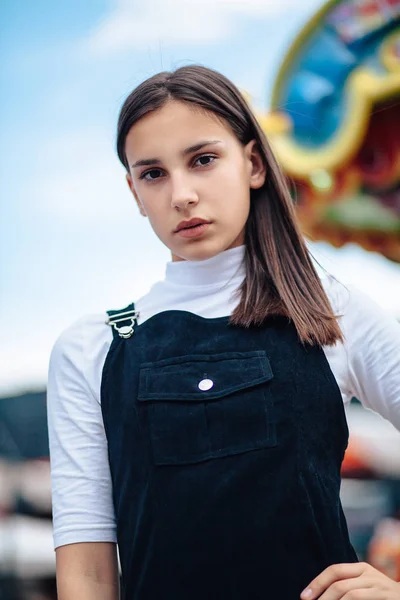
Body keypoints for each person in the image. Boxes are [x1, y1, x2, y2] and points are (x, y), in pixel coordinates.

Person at [47, 65, 400, 599]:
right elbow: (88, 569)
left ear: (253, 164)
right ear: (133, 192)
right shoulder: (90, 347)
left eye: (203, 160)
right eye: (153, 173)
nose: (182, 194)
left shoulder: (333, 315)